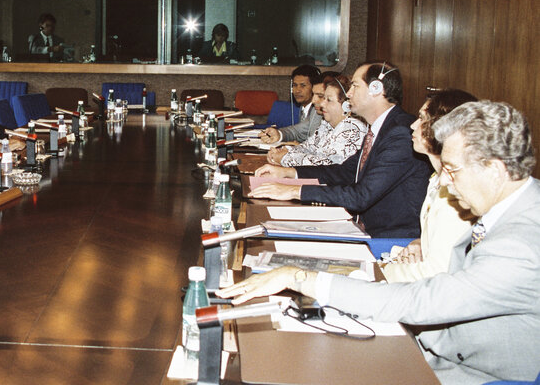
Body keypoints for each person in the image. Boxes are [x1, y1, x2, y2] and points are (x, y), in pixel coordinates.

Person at [219, 100, 540, 385]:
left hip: (474, 372)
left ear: (495, 170)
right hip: (441, 347)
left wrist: (299, 277)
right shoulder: (521, 201)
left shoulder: (520, 247)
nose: (443, 181)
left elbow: (425, 302)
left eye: (453, 170)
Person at [252, 62, 431, 237]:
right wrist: (288, 173)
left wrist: (292, 191)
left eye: (355, 86)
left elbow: (361, 196)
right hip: (366, 228)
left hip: (388, 237)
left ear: (376, 89)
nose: (349, 93)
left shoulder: (399, 133)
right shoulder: (381, 128)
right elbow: (345, 171)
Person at [382, 89, 476, 282]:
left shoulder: (456, 195)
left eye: (422, 119)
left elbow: (437, 274)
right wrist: (420, 243)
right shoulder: (436, 179)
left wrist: (379, 271)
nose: (413, 125)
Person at [269, 75, 368, 167]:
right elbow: (308, 147)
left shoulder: (352, 129)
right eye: (324, 98)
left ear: (346, 105)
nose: (322, 104)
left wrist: (285, 158)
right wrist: (284, 151)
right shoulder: (326, 125)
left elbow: (329, 164)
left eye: (328, 100)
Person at [259, 64, 322, 143]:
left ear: (314, 87)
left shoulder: (318, 111)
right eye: (295, 85)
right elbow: (299, 131)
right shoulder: (302, 109)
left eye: (303, 86)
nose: (297, 90)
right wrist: (279, 134)